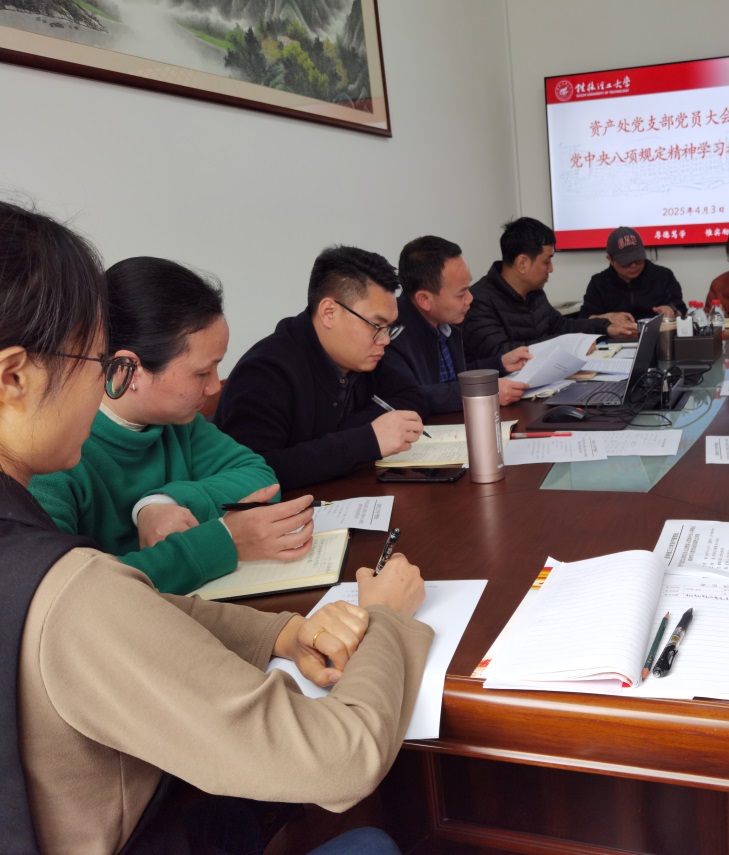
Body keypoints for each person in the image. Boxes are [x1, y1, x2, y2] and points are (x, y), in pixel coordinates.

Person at [0, 200, 430, 855]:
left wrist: (278, 631)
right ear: (14, 376)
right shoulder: (63, 582)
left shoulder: (49, 559)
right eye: (96, 364)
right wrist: (389, 621)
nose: (104, 386)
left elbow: (128, 604)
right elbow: (341, 760)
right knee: (370, 841)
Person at [28, 257, 314, 595]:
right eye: (202, 373)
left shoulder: (178, 422)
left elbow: (261, 478)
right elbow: (69, 593)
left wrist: (161, 502)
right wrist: (223, 542)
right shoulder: (53, 455)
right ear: (128, 369)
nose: (215, 387)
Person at [215, 246, 428, 491]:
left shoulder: (363, 355)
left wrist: (348, 434)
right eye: (376, 325)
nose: (386, 340)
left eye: (390, 328)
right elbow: (253, 474)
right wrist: (365, 439)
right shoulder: (264, 372)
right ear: (329, 312)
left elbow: (413, 397)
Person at [385, 235, 531, 414]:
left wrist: (500, 364)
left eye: (468, 287)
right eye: (461, 294)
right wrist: (481, 391)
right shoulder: (390, 335)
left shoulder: (446, 322)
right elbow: (408, 396)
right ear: (424, 299)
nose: (470, 299)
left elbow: (453, 377)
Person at [462, 216, 638, 363]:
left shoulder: (534, 293)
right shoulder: (479, 301)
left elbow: (562, 326)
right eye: (547, 261)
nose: (551, 268)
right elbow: (501, 354)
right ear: (522, 263)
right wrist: (567, 344)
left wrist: (606, 326)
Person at [581, 226, 686, 320]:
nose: (633, 266)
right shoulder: (598, 283)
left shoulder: (663, 276)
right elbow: (585, 318)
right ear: (611, 260)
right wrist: (607, 318)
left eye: (638, 260)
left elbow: (682, 311)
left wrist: (673, 311)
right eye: (626, 262)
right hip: (613, 336)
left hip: (658, 334)